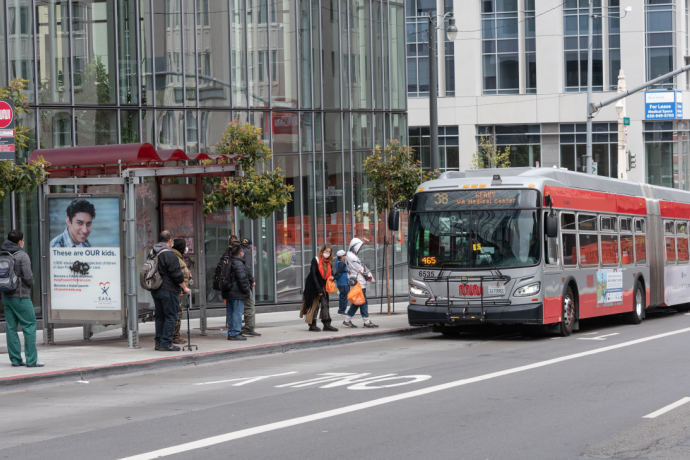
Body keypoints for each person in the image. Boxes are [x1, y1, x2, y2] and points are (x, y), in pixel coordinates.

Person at [1, 230, 43, 367]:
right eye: (23, 240)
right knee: (29, 325)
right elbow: (28, 277)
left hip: (6, 296)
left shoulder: (3, 254)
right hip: (21, 297)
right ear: (20, 242)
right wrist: (31, 284)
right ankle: (32, 360)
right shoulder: (22, 256)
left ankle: (15, 360)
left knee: (11, 328)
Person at [151, 230, 190, 352]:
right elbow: (176, 274)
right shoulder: (169, 254)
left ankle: (159, 342)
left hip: (156, 288)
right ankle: (166, 343)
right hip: (168, 289)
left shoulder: (153, 252)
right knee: (171, 316)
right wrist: (184, 288)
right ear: (170, 240)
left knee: (160, 317)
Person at [300, 244, 338, 332]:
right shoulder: (316, 259)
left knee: (325, 304)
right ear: (322, 251)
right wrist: (318, 289)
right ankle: (312, 325)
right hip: (313, 286)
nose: (327, 253)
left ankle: (327, 324)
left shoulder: (328, 262)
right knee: (315, 305)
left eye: (329, 252)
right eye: (326, 251)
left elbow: (330, 274)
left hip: (323, 286)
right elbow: (313, 275)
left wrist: (333, 277)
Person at [342, 238, 379, 329]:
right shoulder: (352, 257)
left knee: (358, 302)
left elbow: (362, 267)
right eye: (359, 247)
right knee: (362, 302)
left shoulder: (352, 255)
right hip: (358, 283)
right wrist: (370, 278)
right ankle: (366, 322)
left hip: (358, 282)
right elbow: (361, 269)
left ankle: (347, 321)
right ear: (355, 246)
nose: (360, 249)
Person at [221, 244, 252, 341]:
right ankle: (235, 333)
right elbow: (242, 279)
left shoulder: (227, 261)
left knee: (230, 312)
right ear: (240, 253)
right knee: (237, 313)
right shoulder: (239, 264)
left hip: (228, 291)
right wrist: (247, 290)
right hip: (237, 292)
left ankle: (231, 332)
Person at [171, 238, 190, 345]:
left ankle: (176, 335)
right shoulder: (175, 257)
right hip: (178, 291)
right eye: (185, 246)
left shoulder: (178, 257)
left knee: (178, 313)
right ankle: (175, 336)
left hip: (179, 290)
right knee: (177, 314)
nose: (187, 248)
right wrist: (182, 289)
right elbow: (177, 275)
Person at [240, 238, 260, 337]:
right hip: (245, 283)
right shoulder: (247, 252)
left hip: (237, 284)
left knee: (239, 306)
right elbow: (248, 267)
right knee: (249, 305)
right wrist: (252, 280)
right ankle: (249, 329)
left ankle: (236, 328)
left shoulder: (236, 252)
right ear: (250, 245)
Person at [334, 250, 349, 315]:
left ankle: (341, 311)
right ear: (341, 256)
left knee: (342, 297)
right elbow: (339, 272)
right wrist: (335, 277)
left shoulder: (338, 262)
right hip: (343, 282)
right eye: (344, 255)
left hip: (341, 282)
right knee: (344, 297)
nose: (345, 256)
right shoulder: (342, 263)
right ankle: (341, 311)